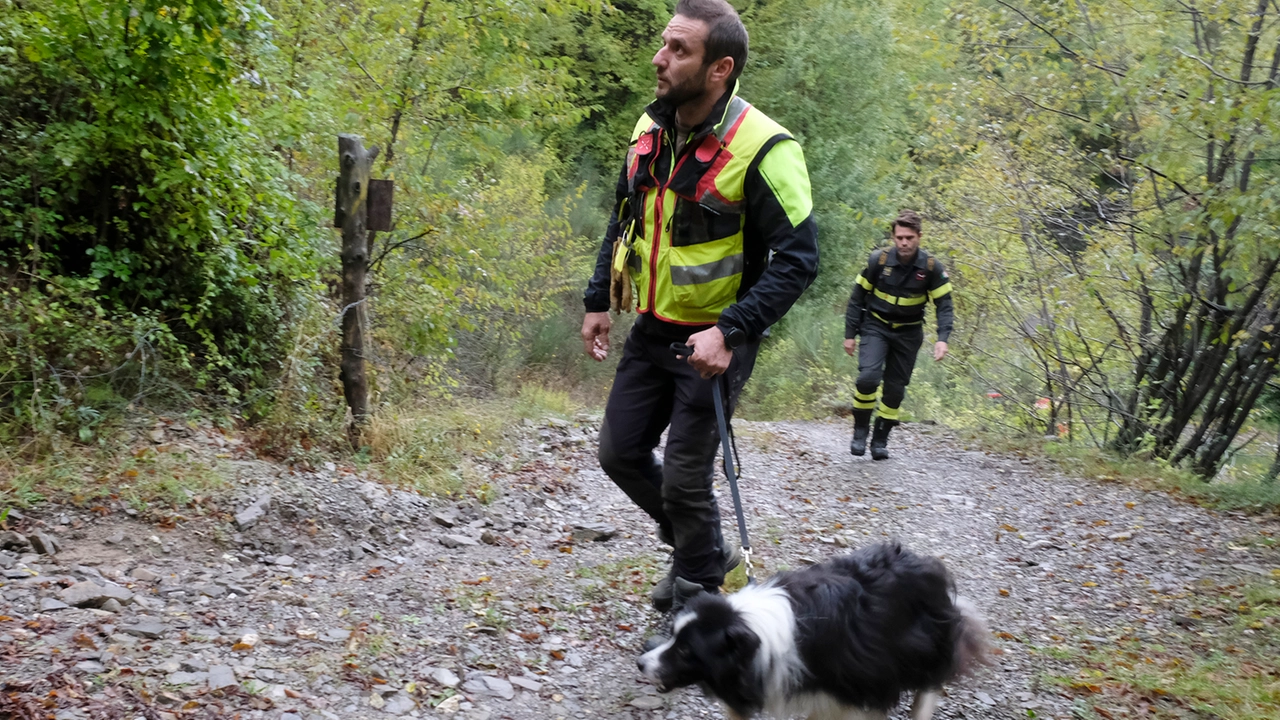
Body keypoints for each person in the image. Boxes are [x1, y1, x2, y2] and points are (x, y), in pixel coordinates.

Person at [580, 0, 818, 615]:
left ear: (720, 68)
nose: (660, 58)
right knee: (618, 454)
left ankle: (695, 604)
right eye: (665, 43)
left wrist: (731, 331)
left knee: (687, 479)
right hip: (653, 330)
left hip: (716, 345)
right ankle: (706, 551)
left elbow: (799, 260)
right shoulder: (648, 129)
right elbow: (623, 215)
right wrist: (598, 299)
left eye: (679, 50)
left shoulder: (766, 148)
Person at [843, 210, 953, 460]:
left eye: (910, 237)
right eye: (900, 237)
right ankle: (860, 430)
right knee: (867, 379)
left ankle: (880, 441)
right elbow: (857, 298)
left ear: (919, 237)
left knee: (895, 389)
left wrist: (942, 339)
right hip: (875, 327)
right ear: (893, 236)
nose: (904, 242)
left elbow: (944, 305)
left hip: (909, 333)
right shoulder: (878, 261)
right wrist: (850, 334)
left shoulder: (931, 267)